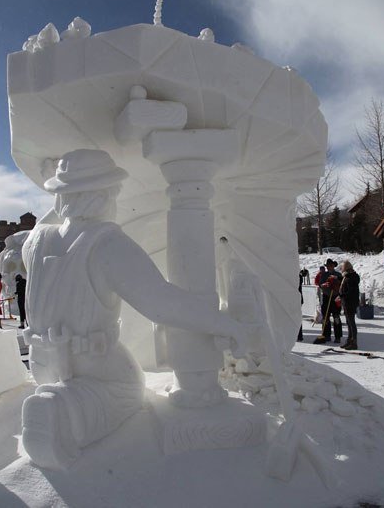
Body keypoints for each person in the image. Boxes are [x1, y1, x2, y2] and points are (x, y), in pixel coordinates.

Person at [20, 149, 257, 469]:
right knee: (130, 390)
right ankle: (65, 410)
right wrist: (223, 324)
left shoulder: (34, 241)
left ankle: (51, 398)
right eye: (112, 192)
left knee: (78, 383)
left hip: (43, 361)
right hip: (93, 367)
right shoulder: (106, 244)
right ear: (102, 196)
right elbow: (162, 303)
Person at [313, 259, 342, 345]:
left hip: (335, 297)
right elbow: (320, 284)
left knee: (336, 317)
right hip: (326, 297)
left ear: (334, 266)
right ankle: (326, 335)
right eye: (328, 266)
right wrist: (324, 285)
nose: (330, 267)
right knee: (326, 317)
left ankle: (338, 336)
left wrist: (336, 285)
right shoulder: (324, 274)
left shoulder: (338, 274)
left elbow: (342, 284)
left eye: (331, 265)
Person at [340, 260, 361, 350]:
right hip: (348, 302)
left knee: (351, 322)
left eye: (342, 267)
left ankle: (354, 342)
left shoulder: (350, 278)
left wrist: (342, 295)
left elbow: (350, 292)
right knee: (349, 322)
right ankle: (349, 340)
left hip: (349, 302)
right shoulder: (349, 276)